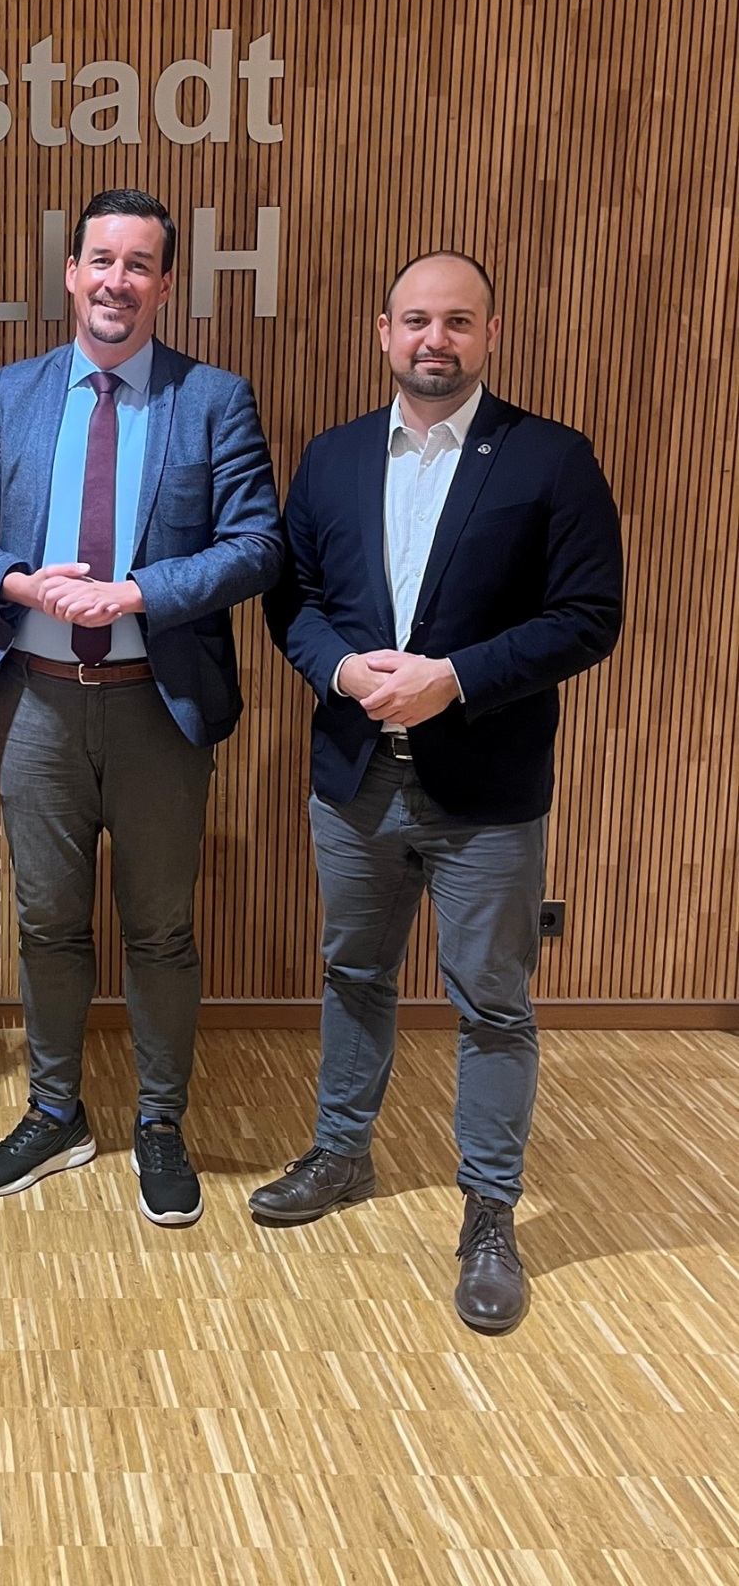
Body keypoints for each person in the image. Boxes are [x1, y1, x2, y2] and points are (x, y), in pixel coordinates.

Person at [252, 251, 623, 1332]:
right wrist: (338, 668)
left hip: (486, 794)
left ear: (490, 334)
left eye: (457, 321)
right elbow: (293, 600)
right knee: (353, 973)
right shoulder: (330, 459)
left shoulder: (551, 459)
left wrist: (453, 678)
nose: (434, 339)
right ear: (383, 331)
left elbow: (587, 616)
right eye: (416, 319)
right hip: (355, 782)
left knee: (491, 1003)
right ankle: (340, 1154)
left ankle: (490, 1214)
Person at [0, 189, 283, 1227]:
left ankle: (161, 1122)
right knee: (46, 922)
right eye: (101, 260)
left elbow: (256, 545)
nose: (116, 281)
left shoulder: (211, 399)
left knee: (160, 930)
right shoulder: (15, 392)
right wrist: (20, 584)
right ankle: (55, 1113)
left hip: (154, 712)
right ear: (71, 272)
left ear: (165, 284)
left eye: (138, 264)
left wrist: (137, 593)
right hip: (37, 705)